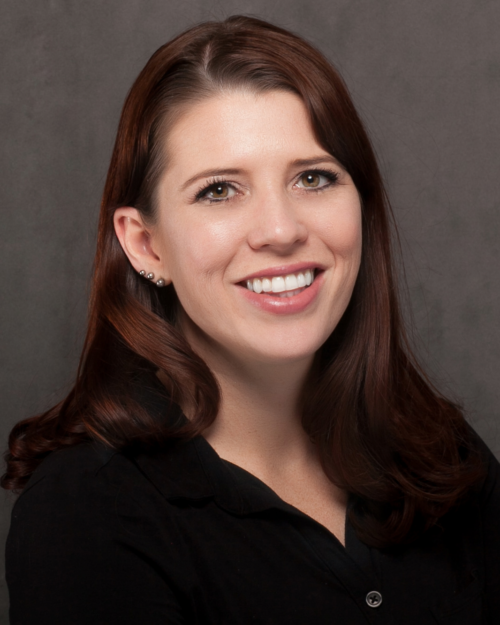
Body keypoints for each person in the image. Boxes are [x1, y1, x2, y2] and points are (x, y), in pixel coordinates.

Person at [3, 15, 499, 624]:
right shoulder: (89, 517)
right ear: (146, 245)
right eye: (218, 191)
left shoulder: (436, 452)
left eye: (314, 178)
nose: (282, 230)